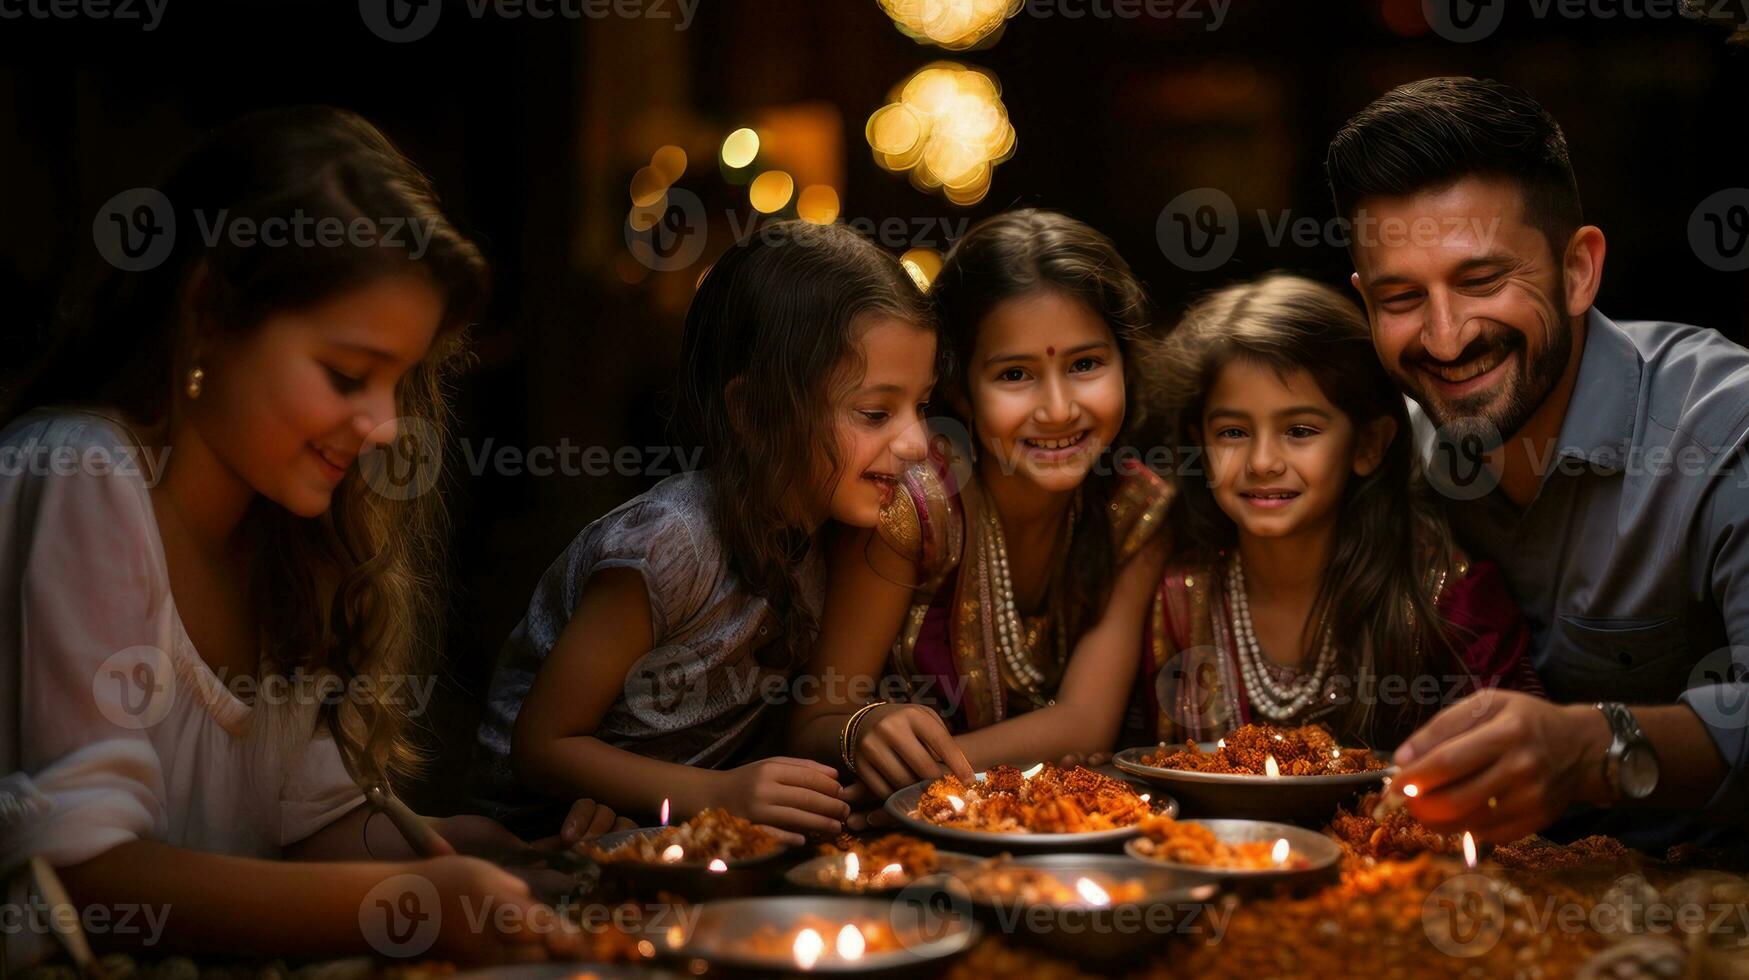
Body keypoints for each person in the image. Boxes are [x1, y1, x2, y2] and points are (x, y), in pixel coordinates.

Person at [0, 106, 606, 966]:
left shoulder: (288, 539)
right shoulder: (81, 475)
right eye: (348, 375)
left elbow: (305, 833)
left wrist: (459, 851)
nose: (388, 427)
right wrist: (413, 903)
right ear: (208, 311)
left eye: (401, 382)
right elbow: (88, 879)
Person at [1328, 76, 1749, 848]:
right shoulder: (1394, 462)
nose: (1446, 337)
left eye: (1481, 281)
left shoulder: (1723, 427)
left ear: (1578, 270)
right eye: (1400, 299)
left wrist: (1589, 747)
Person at [475, 221, 938, 846]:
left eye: (921, 406)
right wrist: (719, 796)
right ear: (752, 412)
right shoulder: (670, 546)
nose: (916, 443)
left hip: (685, 836)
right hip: (539, 839)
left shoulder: (834, 534)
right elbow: (542, 746)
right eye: (876, 413)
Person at [787, 209, 1172, 799]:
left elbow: (1085, 722)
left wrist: (930, 777)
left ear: (1127, 361)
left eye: (1086, 365)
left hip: (1052, 831)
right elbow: (812, 723)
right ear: (960, 390)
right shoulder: (911, 504)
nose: (1059, 408)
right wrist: (864, 729)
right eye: (1015, 374)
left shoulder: (1137, 508)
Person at [1141, 272, 1541, 748]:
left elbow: (1515, 767)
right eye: (1232, 432)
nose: (1263, 462)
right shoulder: (1176, 601)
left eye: (1301, 431)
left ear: (1369, 444)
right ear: (1199, 445)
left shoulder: (1445, 598)